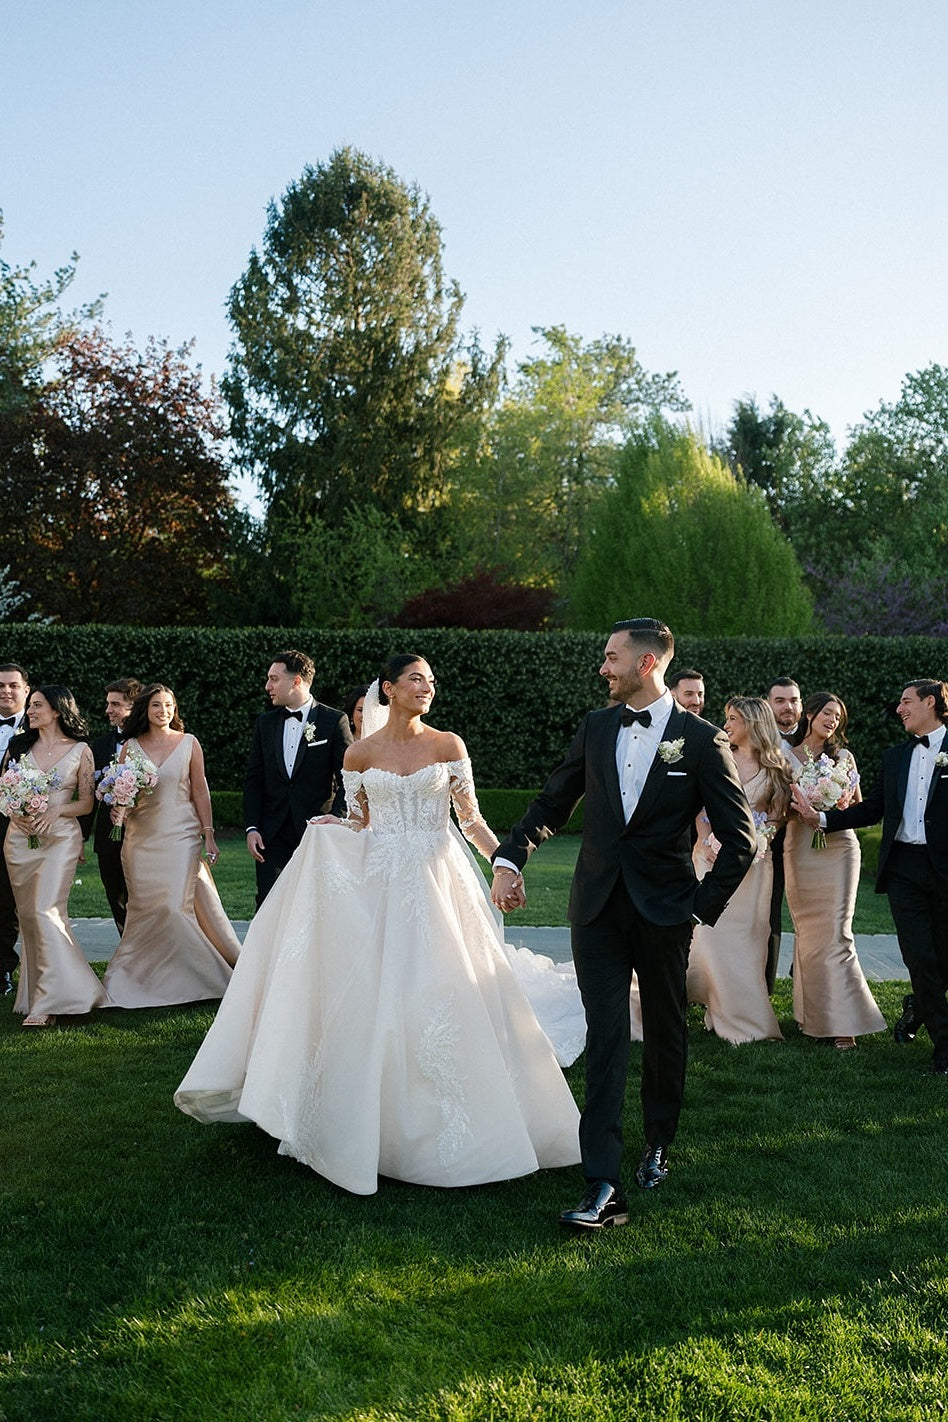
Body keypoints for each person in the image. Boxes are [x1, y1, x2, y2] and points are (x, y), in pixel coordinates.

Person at [175, 654, 581, 1197]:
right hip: (382, 884)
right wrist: (332, 825)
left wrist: (504, 866)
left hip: (439, 880)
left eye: (432, 681)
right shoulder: (359, 752)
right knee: (379, 993)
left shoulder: (448, 745)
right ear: (388, 689)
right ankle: (374, 1115)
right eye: (416, 679)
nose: (426, 688)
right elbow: (359, 822)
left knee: (443, 987)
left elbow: (472, 820)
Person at [491, 618, 757, 1230]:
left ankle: (659, 1139)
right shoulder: (596, 725)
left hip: (666, 913)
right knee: (606, 1035)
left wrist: (698, 906)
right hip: (597, 910)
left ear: (645, 664)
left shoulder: (701, 739)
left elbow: (740, 839)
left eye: (612, 658)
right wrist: (511, 857)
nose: (603, 668)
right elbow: (552, 801)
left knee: (665, 1030)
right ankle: (603, 1183)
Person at [794, 679, 948, 1074]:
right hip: (904, 871)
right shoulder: (896, 756)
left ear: (930, 703)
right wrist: (824, 818)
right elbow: (872, 808)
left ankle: (918, 1005)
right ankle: (944, 1045)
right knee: (918, 955)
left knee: (942, 956)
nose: (899, 708)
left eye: (906, 701)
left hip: (945, 868)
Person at [101, 684, 240, 1007]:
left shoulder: (189, 743)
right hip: (140, 838)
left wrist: (208, 833)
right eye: (156, 706)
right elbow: (126, 793)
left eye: (168, 705)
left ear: (174, 709)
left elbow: (200, 791)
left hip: (181, 834)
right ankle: (139, 979)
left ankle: (203, 978)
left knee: (174, 906)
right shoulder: (130, 747)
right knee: (144, 909)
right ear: (145, 711)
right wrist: (119, 805)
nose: (163, 711)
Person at [784, 691, 885, 1049]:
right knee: (808, 933)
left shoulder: (844, 757)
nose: (833, 721)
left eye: (838, 717)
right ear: (810, 714)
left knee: (838, 932)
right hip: (800, 848)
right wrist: (804, 808)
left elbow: (857, 806)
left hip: (841, 846)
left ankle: (845, 1021)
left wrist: (836, 801)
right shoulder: (785, 757)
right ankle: (812, 1015)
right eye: (827, 713)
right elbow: (780, 807)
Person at [2, 685, 108, 1027]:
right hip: (19, 840)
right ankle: (43, 992)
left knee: (44, 910)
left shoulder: (81, 750)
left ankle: (49, 1002)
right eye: (30, 706)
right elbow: (2, 792)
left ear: (57, 711)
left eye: (37, 706)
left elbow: (87, 803)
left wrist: (57, 809)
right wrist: (14, 811)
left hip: (61, 838)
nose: (29, 711)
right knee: (30, 918)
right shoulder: (19, 746)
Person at [687, 697, 789, 1043]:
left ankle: (743, 1018)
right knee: (709, 939)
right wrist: (705, 843)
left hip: (756, 869)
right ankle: (714, 1006)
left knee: (746, 941)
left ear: (753, 723)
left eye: (733, 719)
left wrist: (758, 845)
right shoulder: (719, 758)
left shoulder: (776, 769)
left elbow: (774, 820)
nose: (726, 724)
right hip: (710, 861)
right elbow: (700, 809)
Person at [243, 650, 351, 907]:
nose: (267, 686)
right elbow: (254, 778)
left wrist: (337, 817)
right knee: (269, 903)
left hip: (317, 831)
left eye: (273, 679)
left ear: (296, 682)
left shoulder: (334, 721)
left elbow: (349, 777)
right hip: (272, 833)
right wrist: (252, 827)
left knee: (317, 904)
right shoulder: (265, 723)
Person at [89, 678, 141, 933]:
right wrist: (80, 837)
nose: (108, 710)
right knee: (116, 896)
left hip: (145, 833)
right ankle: (127, 954)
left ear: (133, 707)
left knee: (144, 897)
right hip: (108, 837)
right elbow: (89, 795)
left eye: (115, 704)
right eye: (108, 704)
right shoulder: (98, 746)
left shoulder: (152, 743)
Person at [764, 676, 803, 994]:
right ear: (768, 704)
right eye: (780, 700)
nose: (788, 707)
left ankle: (808, 973)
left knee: (811, 913)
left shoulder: (819, 739)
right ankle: (764, 985)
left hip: (809, 842)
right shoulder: (757, 738)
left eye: (794, 700)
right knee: (767, 912)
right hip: (770, 841)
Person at [0, 663, 30, 995]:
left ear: (25, 689)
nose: (5, 691)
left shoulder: (39, 726)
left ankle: (4, 969)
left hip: (20, 823)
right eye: (0, 686)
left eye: (12, 685)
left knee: (8, 897)